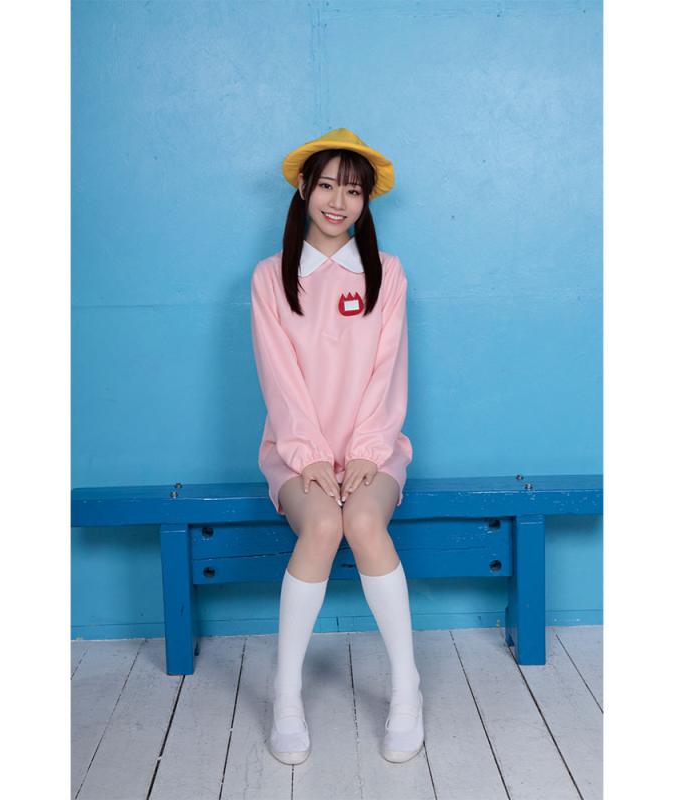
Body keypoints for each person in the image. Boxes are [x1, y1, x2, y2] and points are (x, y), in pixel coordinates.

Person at [250, 128, 423, 766]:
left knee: (365, 521)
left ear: (366, 201)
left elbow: (387, 369)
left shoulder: (388, 274)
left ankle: (407, 689)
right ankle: (285, 696)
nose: (338, 202)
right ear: (304, 188)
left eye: (352, 191)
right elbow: (280, 378)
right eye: (327, 185)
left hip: (375, 445)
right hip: (297, 450)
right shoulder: (270, 278)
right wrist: (310, 456)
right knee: (323, 524)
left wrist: (370, 450)